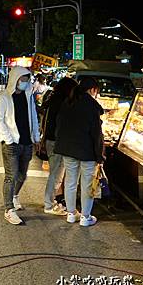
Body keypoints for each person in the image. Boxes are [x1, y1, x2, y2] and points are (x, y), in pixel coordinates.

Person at [54, 77, 104, 227]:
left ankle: (71, 214)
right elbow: (96, 134)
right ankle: (85, 217)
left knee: (70, 181)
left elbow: (59, 125)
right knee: (86, 184)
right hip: (86, 150)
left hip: (68, 149)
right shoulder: (91, 106)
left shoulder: (68, 101)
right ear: (93, 90)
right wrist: (99, 155)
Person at [0, 67, 40, 225]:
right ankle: (9, 209)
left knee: (22, 175)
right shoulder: (4, 97)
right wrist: (8, 139)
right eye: (22, 79)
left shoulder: (28, 96)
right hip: (11, 144)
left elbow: (33, 115)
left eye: (27, 79)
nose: (25, 83)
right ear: (15, 79)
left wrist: (35, 136)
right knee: (10, 177)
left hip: (27, 142)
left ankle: (14, 196)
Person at [40, 77, 78, 216]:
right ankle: (49, 204)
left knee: (56, 174)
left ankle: (50, 201)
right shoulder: (62, 103)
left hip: (51, 140)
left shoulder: (53, 99)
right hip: (57, 142)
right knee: (56, 175)